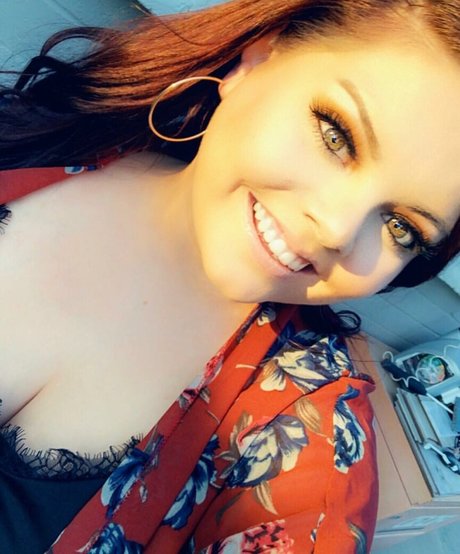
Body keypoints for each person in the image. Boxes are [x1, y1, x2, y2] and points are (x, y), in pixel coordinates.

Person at [0, 0, 460, 551]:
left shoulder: (304, 429)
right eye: (336, 135)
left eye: (401, 227)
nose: (337, 229)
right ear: (258, 59)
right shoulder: (33, 133)